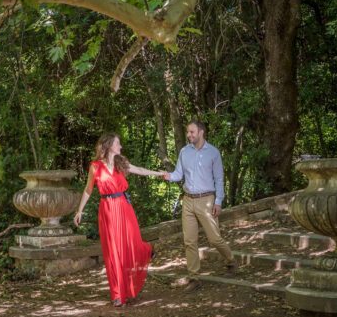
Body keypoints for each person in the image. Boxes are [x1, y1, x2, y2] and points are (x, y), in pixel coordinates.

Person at [74, 133, 166, 306]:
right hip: (107, 211)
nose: (121, 146)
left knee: (132, 243)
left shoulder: (121, 164)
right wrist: (79, 211)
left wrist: (158, 173)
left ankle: (146, 250)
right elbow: (88, 190)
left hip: (124, 207)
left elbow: (140, 170)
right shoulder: (95, 167)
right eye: (118, 143)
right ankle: (117, 294)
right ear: (108, 145)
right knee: (113, 252)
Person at [163, 120, 236, 292]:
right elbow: (178, 174)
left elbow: (219, 179)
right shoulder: (184, 152)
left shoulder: (213, 153)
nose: (189, 135)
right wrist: (168, 176)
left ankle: (231, 261)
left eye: (192, 132)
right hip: (188, 200)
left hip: (206, 201)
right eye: (188, 132)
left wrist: (218, 201)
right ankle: (194, 278)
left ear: (201, 132)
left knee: (214, 239)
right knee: (189, 241)